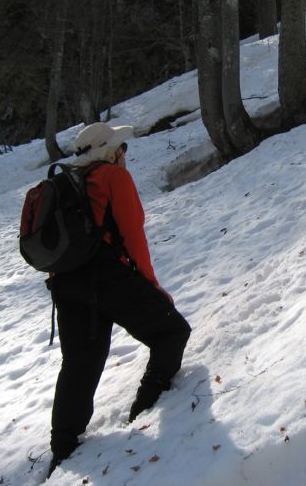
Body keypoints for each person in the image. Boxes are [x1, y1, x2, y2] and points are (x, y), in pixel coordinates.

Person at [46, 122, 191, 478]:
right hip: (108, 278)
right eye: (122, 148)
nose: (125, 154)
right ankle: (146, 405)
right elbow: (132, 236)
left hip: (65, 285)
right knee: (172, 331)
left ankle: (62, 449)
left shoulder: (62, 184)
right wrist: (154, 288)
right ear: (110, 151)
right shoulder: (113, 178)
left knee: (80, 363)